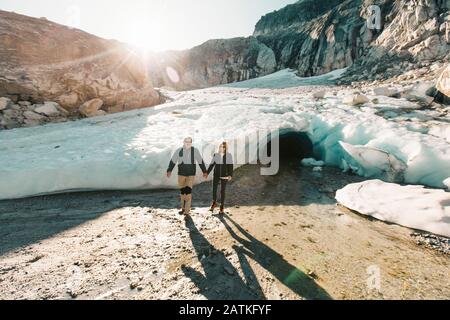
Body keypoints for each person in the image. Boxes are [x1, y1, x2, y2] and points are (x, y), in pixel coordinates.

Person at [167, 137, 208, 216]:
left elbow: (200, 161)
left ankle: (187, 210)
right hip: (181, 174)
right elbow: (173, 160)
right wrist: (169, 170)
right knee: (183, 192)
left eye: (189, 142)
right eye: (186, 141)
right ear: (183, 142)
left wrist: (204, 171)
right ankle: (183, 208)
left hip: (191, 174)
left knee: (188, 192)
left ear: (191, 143)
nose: (188, 143)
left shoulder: (194, 151)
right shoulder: (179, 151)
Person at [207, 142, 234, 215]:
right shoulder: (216, 155)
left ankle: (222, 206)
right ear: (219, 147)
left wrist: (230, 175)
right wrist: (207, 172)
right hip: (216, 175)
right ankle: (214, 203)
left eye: (223, 147)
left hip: (224, 175)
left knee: (223, 191)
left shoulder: (228, 155)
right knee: (214, 189)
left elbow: (230, 166)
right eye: (221, 146)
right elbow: (212, 164)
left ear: (225, 148)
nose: (222, 148)